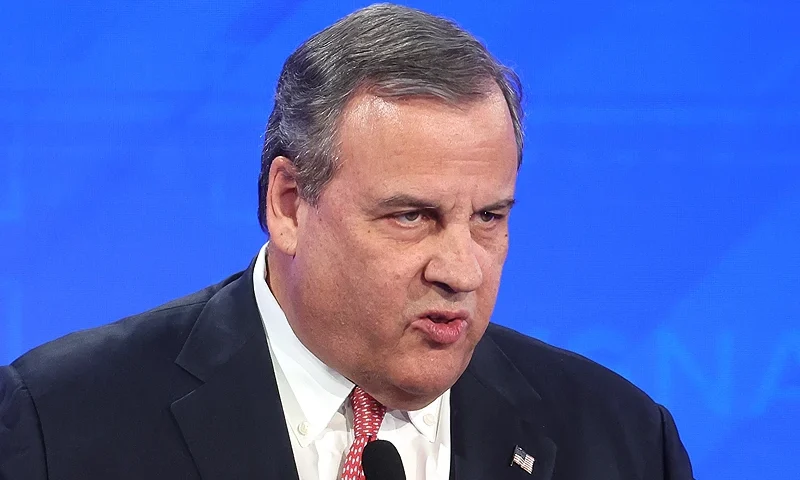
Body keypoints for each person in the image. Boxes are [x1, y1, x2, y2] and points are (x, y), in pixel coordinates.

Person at [0, 4, 694, 479]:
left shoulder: (622, 441)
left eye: (488, 218)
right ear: (290, 204)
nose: (461, 270)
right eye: (411, 216)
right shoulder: (60, 424)